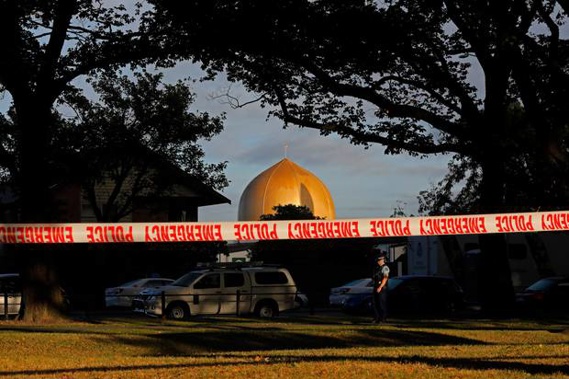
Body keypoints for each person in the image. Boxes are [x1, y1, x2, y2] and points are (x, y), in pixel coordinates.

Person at [372, 252, 390, 324]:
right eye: (377, 261)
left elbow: (385, 278)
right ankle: (376, 318)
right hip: (376, 286)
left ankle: (383, 319)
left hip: (382, 287)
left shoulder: (385, 268)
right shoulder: (377, 268)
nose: (378, 262)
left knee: (381, 303)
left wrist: (380, 287)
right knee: (375, 303)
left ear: (382, 260)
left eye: (379, 260)